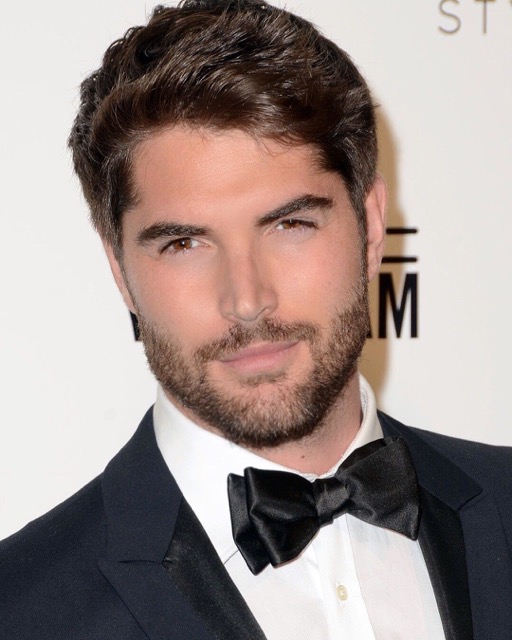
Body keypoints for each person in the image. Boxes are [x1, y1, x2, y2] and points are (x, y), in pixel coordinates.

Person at [0, 1, 511, 638]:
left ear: (372, 225)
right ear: (119, 270)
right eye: (184, 244)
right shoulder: (22, 611)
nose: (247, 299)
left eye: (289, 225)